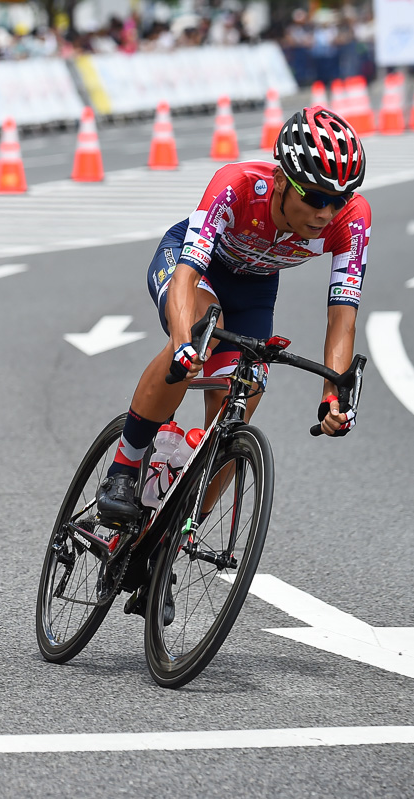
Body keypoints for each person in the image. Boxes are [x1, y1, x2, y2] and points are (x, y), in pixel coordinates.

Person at [95, 107, 369, 528]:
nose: (325, 213)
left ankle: (175, 534)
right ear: (281, 180)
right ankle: (123, 470)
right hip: (196, 269)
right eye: (314, 197)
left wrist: (332, 393)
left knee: (242, 399)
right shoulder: (237, 185)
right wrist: (185, 343)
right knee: (199, 335)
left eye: (339, 200)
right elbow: (186, 277)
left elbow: (342, 319)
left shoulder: (352, 221)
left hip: (256, 290)